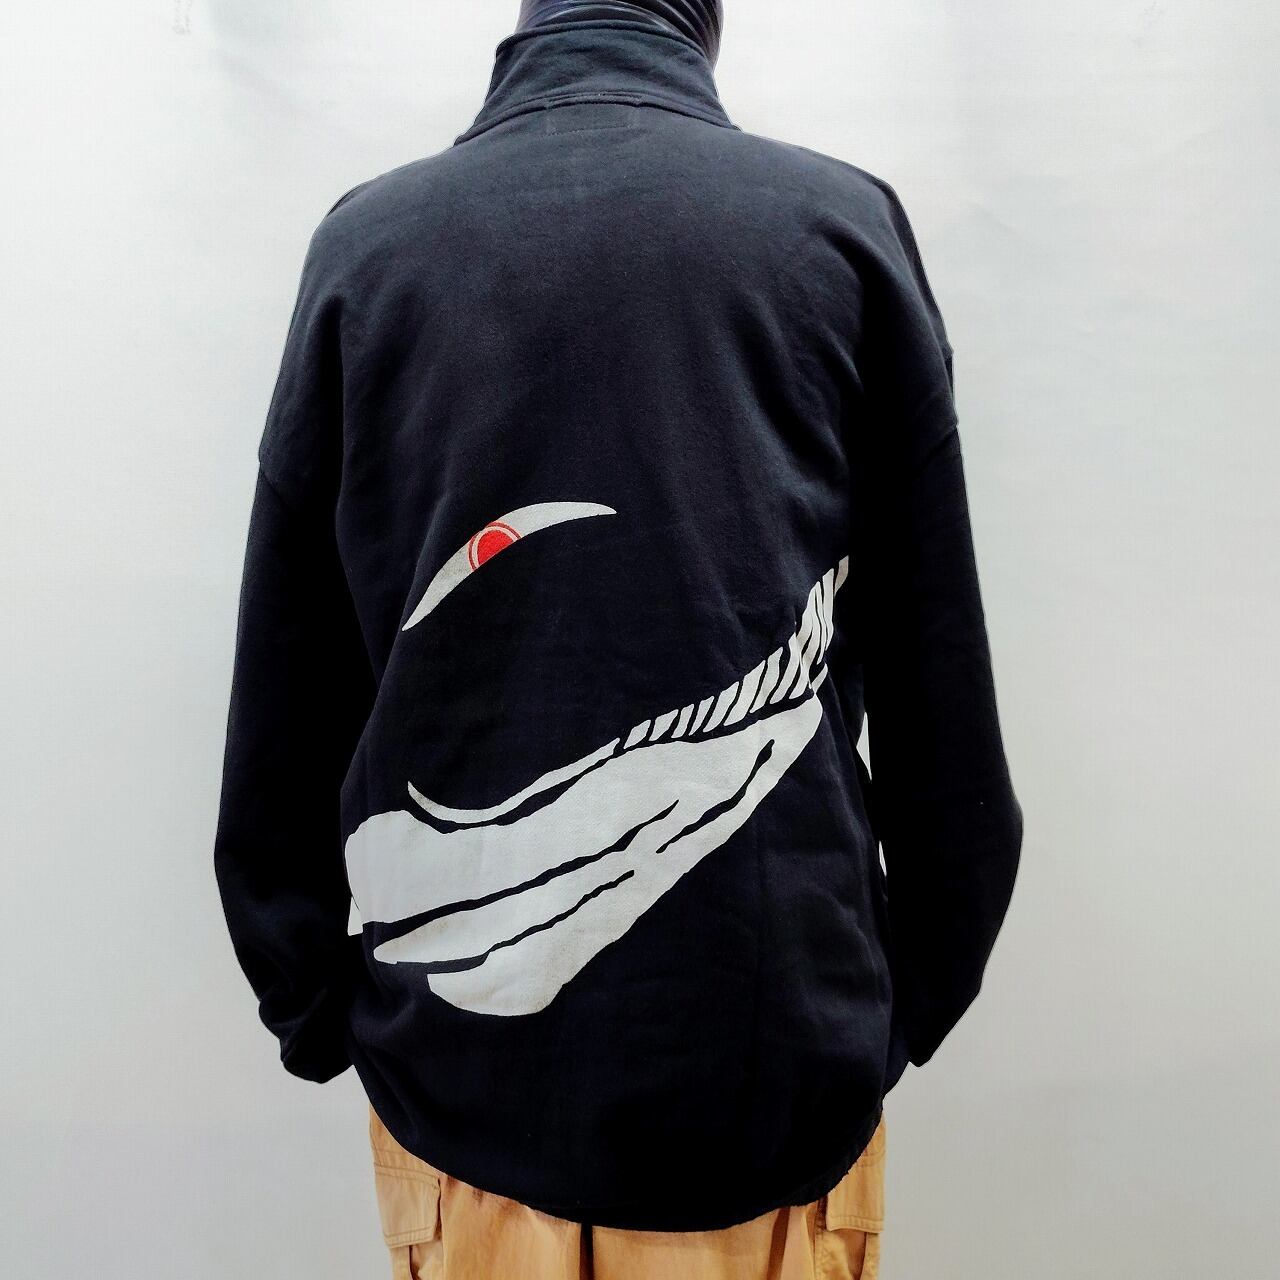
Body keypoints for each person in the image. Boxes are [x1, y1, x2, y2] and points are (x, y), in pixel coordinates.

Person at [213, 1, 1024, 1275]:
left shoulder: (369, 252)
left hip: (461, 1102)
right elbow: (943, 712)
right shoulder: (837, 231)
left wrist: (320, 1006)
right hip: (776, 1086)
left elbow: (285, 698)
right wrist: (881, 1012)